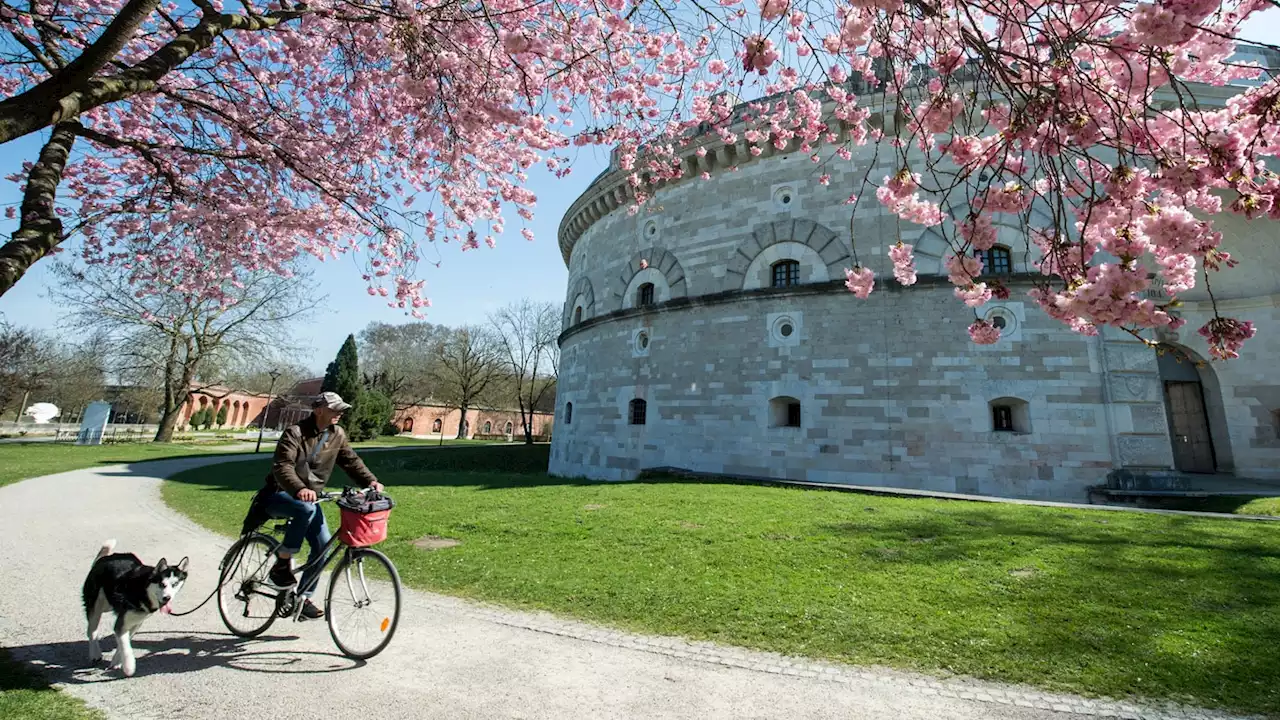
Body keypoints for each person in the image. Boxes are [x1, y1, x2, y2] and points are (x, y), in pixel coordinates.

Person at [261, 391, 382, 619]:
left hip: (309, 499)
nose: (340, 413)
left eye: (341, 410)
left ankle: (303, 598)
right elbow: (282, 466)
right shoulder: (294, 433)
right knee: (304, 508)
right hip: (279, 495)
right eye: (335, 409)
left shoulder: (337, 434)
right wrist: (299, 489)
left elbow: (351, 460)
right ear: (319, 410)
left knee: (323, 546)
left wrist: (370, 481)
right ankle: (282, 565)